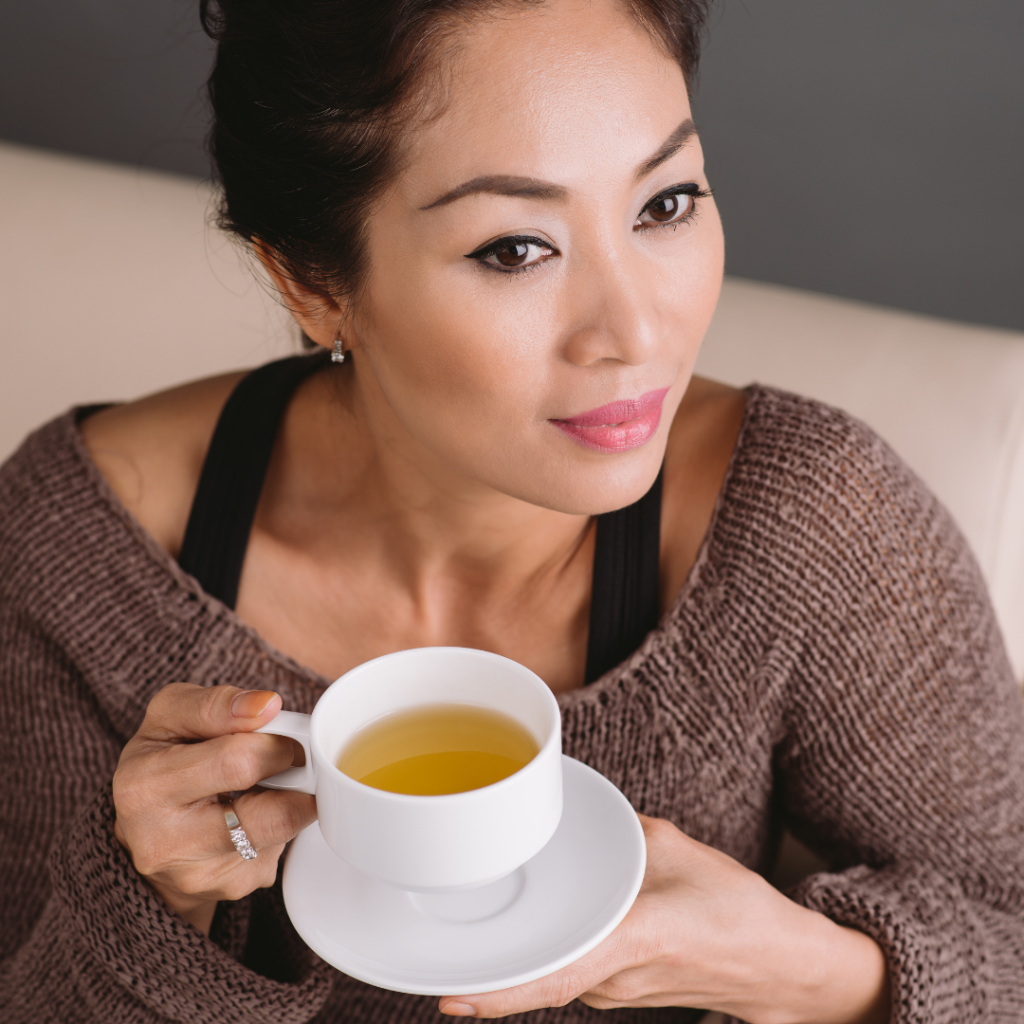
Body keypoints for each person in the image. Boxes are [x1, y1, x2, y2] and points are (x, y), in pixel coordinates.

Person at [1, 0, 1022, 1020]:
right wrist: (155, 903)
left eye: (664, 204)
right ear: (311, 284)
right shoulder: (82, 545)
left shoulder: (807, 521)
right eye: (514, 249)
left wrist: (814, 975)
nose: (633, 330)